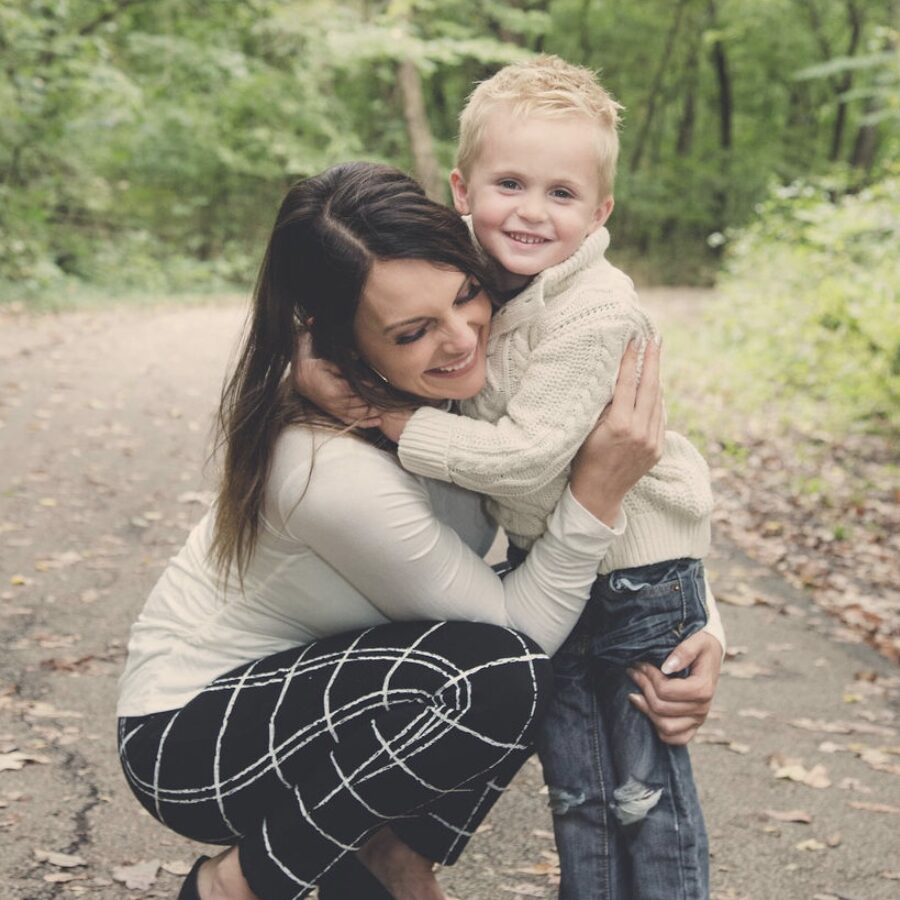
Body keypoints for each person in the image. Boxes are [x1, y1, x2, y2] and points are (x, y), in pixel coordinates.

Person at [116, 162, 723, 900]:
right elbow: (520, 635)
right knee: (495, 673)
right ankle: (237, 885)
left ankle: (389, 857)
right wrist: (595, 495)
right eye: (413, 332)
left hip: (342, 693)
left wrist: (692, 626)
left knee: (523, 637)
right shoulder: (322, 467)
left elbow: (643, 497)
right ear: (340, 341)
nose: (463, 338)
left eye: (467, 294)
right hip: (192, 739)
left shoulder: (463, 393)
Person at [298, 58, 721, 900]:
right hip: (560, 565)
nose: (531, 211)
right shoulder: (474, 277)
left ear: (600, 211)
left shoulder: (594, 310)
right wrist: (311, 366)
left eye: (562, 193)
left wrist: (397, 422)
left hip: (636, 577)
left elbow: (534, 456)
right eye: (510, 184)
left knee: (645, 795)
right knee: (580, 794)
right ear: (462, 188)